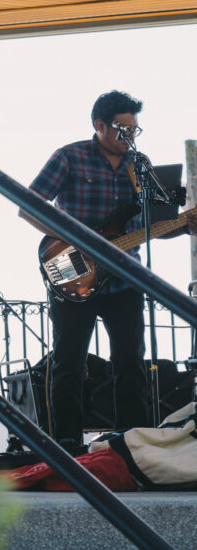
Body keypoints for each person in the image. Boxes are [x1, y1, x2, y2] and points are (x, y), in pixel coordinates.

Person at [20, 90, 197, 452]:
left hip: (126, 277)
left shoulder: (141, 164)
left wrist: (185, 225)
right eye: (121, 129)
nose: (129, 137)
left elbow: (154, 227)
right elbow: (28, 207)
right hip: (74, 270)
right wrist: (77, 239)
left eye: (134, 130)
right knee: (69, 362)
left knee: (131, 363)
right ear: (99, 125)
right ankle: (66, 446)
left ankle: (132, 445)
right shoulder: (69, 156)